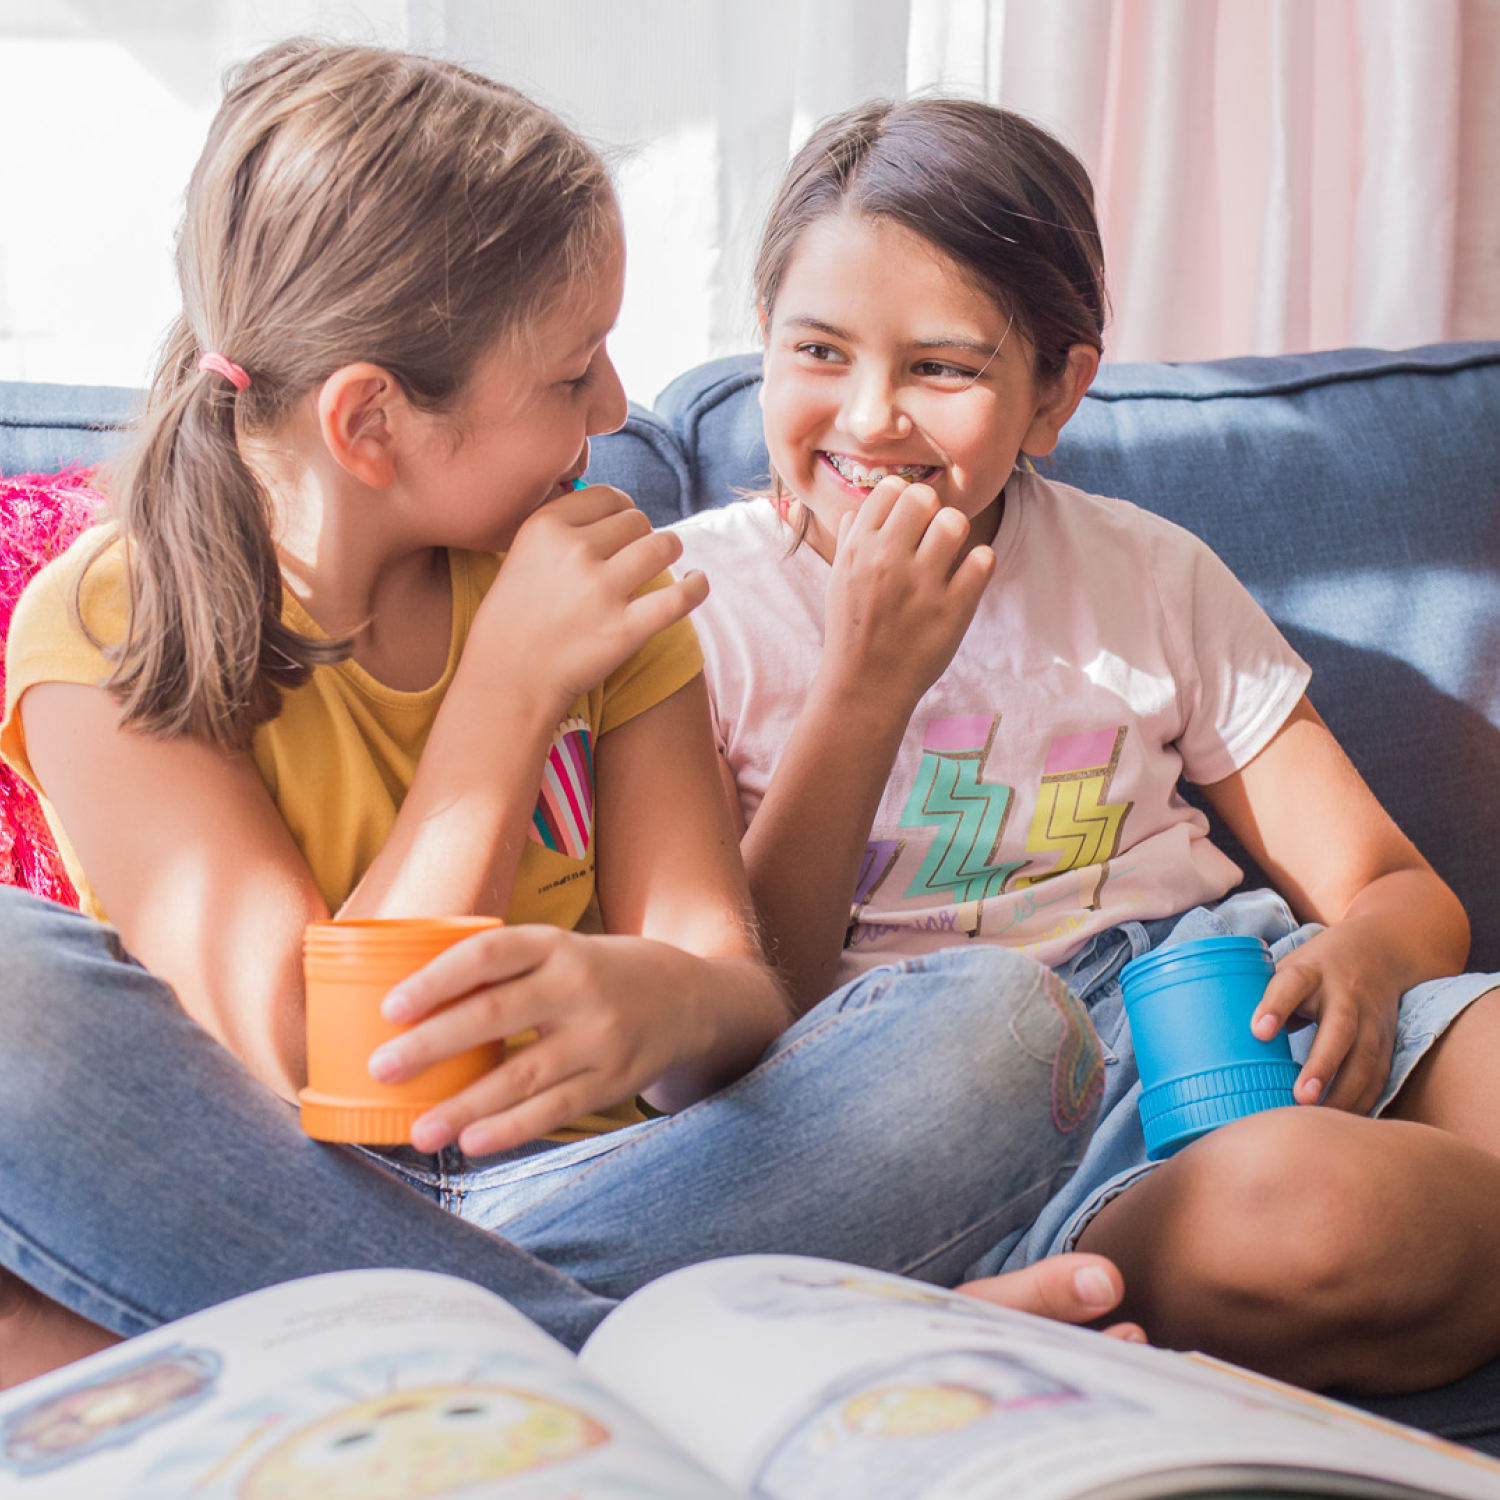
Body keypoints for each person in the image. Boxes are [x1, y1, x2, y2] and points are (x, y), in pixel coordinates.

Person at [0, 43, 1138, 1391]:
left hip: (624, 1188)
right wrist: (506, 692)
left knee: (1006, 1029)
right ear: (373, 423)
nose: (614, 408)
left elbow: (733, 992)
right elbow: (335, 1067)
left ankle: (461, 1359)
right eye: (570, 373)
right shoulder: (114, 622)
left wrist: (661, 1002)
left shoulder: (601, 570)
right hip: (274, 1198)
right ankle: (681, 1365)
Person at [670, 95, 1500, 1397]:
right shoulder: (694, 609)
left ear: (1056, 392)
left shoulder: (1148, 573)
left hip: (1231, 1003)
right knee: (1313, 1221)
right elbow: (730, 1014)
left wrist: (1369, 958)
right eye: (818, 349)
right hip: (968, 1103)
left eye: (942, 367)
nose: (872, 416)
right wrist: (867, 684)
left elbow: (1401, 892)